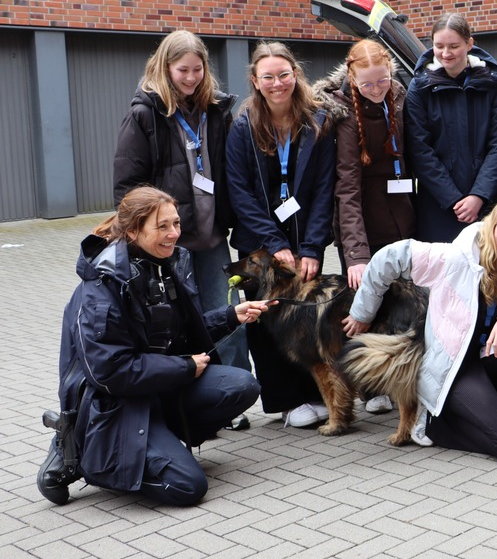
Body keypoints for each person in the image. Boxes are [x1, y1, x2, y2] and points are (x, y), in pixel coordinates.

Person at [37, 187, 269, 506]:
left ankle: (157, 444)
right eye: (162, 226)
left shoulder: (163, 263)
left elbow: (177, 331)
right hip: (117, 402)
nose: (174, 233)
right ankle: (81, 453)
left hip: (157, 386)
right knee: (188, 487)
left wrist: (230, 316)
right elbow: (110, 371)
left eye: (176, 223)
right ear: (133, 231)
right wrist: (184, 367)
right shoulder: (102, 288)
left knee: (241, 386)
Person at [344, 198, 497, 462]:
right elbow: (389, 258)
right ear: (491, 226)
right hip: (453, 370)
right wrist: (362, 313)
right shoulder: (455, 258)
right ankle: (433, 426)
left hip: (485, 361)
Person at [111, 30, 251, 430]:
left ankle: (234, 397)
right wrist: (144, 235)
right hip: (169, 243)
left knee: (229, 316)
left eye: (197, 69)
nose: (190, 77)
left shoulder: (217, 109)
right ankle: (184, 400)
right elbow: (127, 187)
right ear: (165, 67)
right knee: (176, 322)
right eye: (182, 70)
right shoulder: (145, 114)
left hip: (212, 237)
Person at [226, 41, 335, 428]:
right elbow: (240, 193)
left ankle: (314, 393)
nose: (277, 83)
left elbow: (324, 190)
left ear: (296, 74)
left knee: (304, 318)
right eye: (268, 77)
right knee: (266, 321)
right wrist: (276, 245)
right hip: (258, 244)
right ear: (255, 81)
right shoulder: (243, 127)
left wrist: (312, 247)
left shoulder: (317, 121)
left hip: (304, 240)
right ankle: (286, 402)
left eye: (284, 74)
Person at [314, 38, 417, 415]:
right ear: (352, 78)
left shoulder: (401, 97)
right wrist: (356, 255)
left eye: (383, 80)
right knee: (365, 307)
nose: (376, 89)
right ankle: (371, 387)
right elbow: (347, 188)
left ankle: (401, 379)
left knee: (404, 306)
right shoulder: (343, 114)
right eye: (368, 84)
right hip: (362, 225)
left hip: (401, 216)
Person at [405, 13, 497, 242]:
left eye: (453, 46)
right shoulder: (419, 88)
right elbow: (420, 150)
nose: (446, 53)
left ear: (469, 44)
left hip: (486, 201)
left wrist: (479, 194)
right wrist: (452, 199)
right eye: (439, 46)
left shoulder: (492, 84)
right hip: (438, 204)